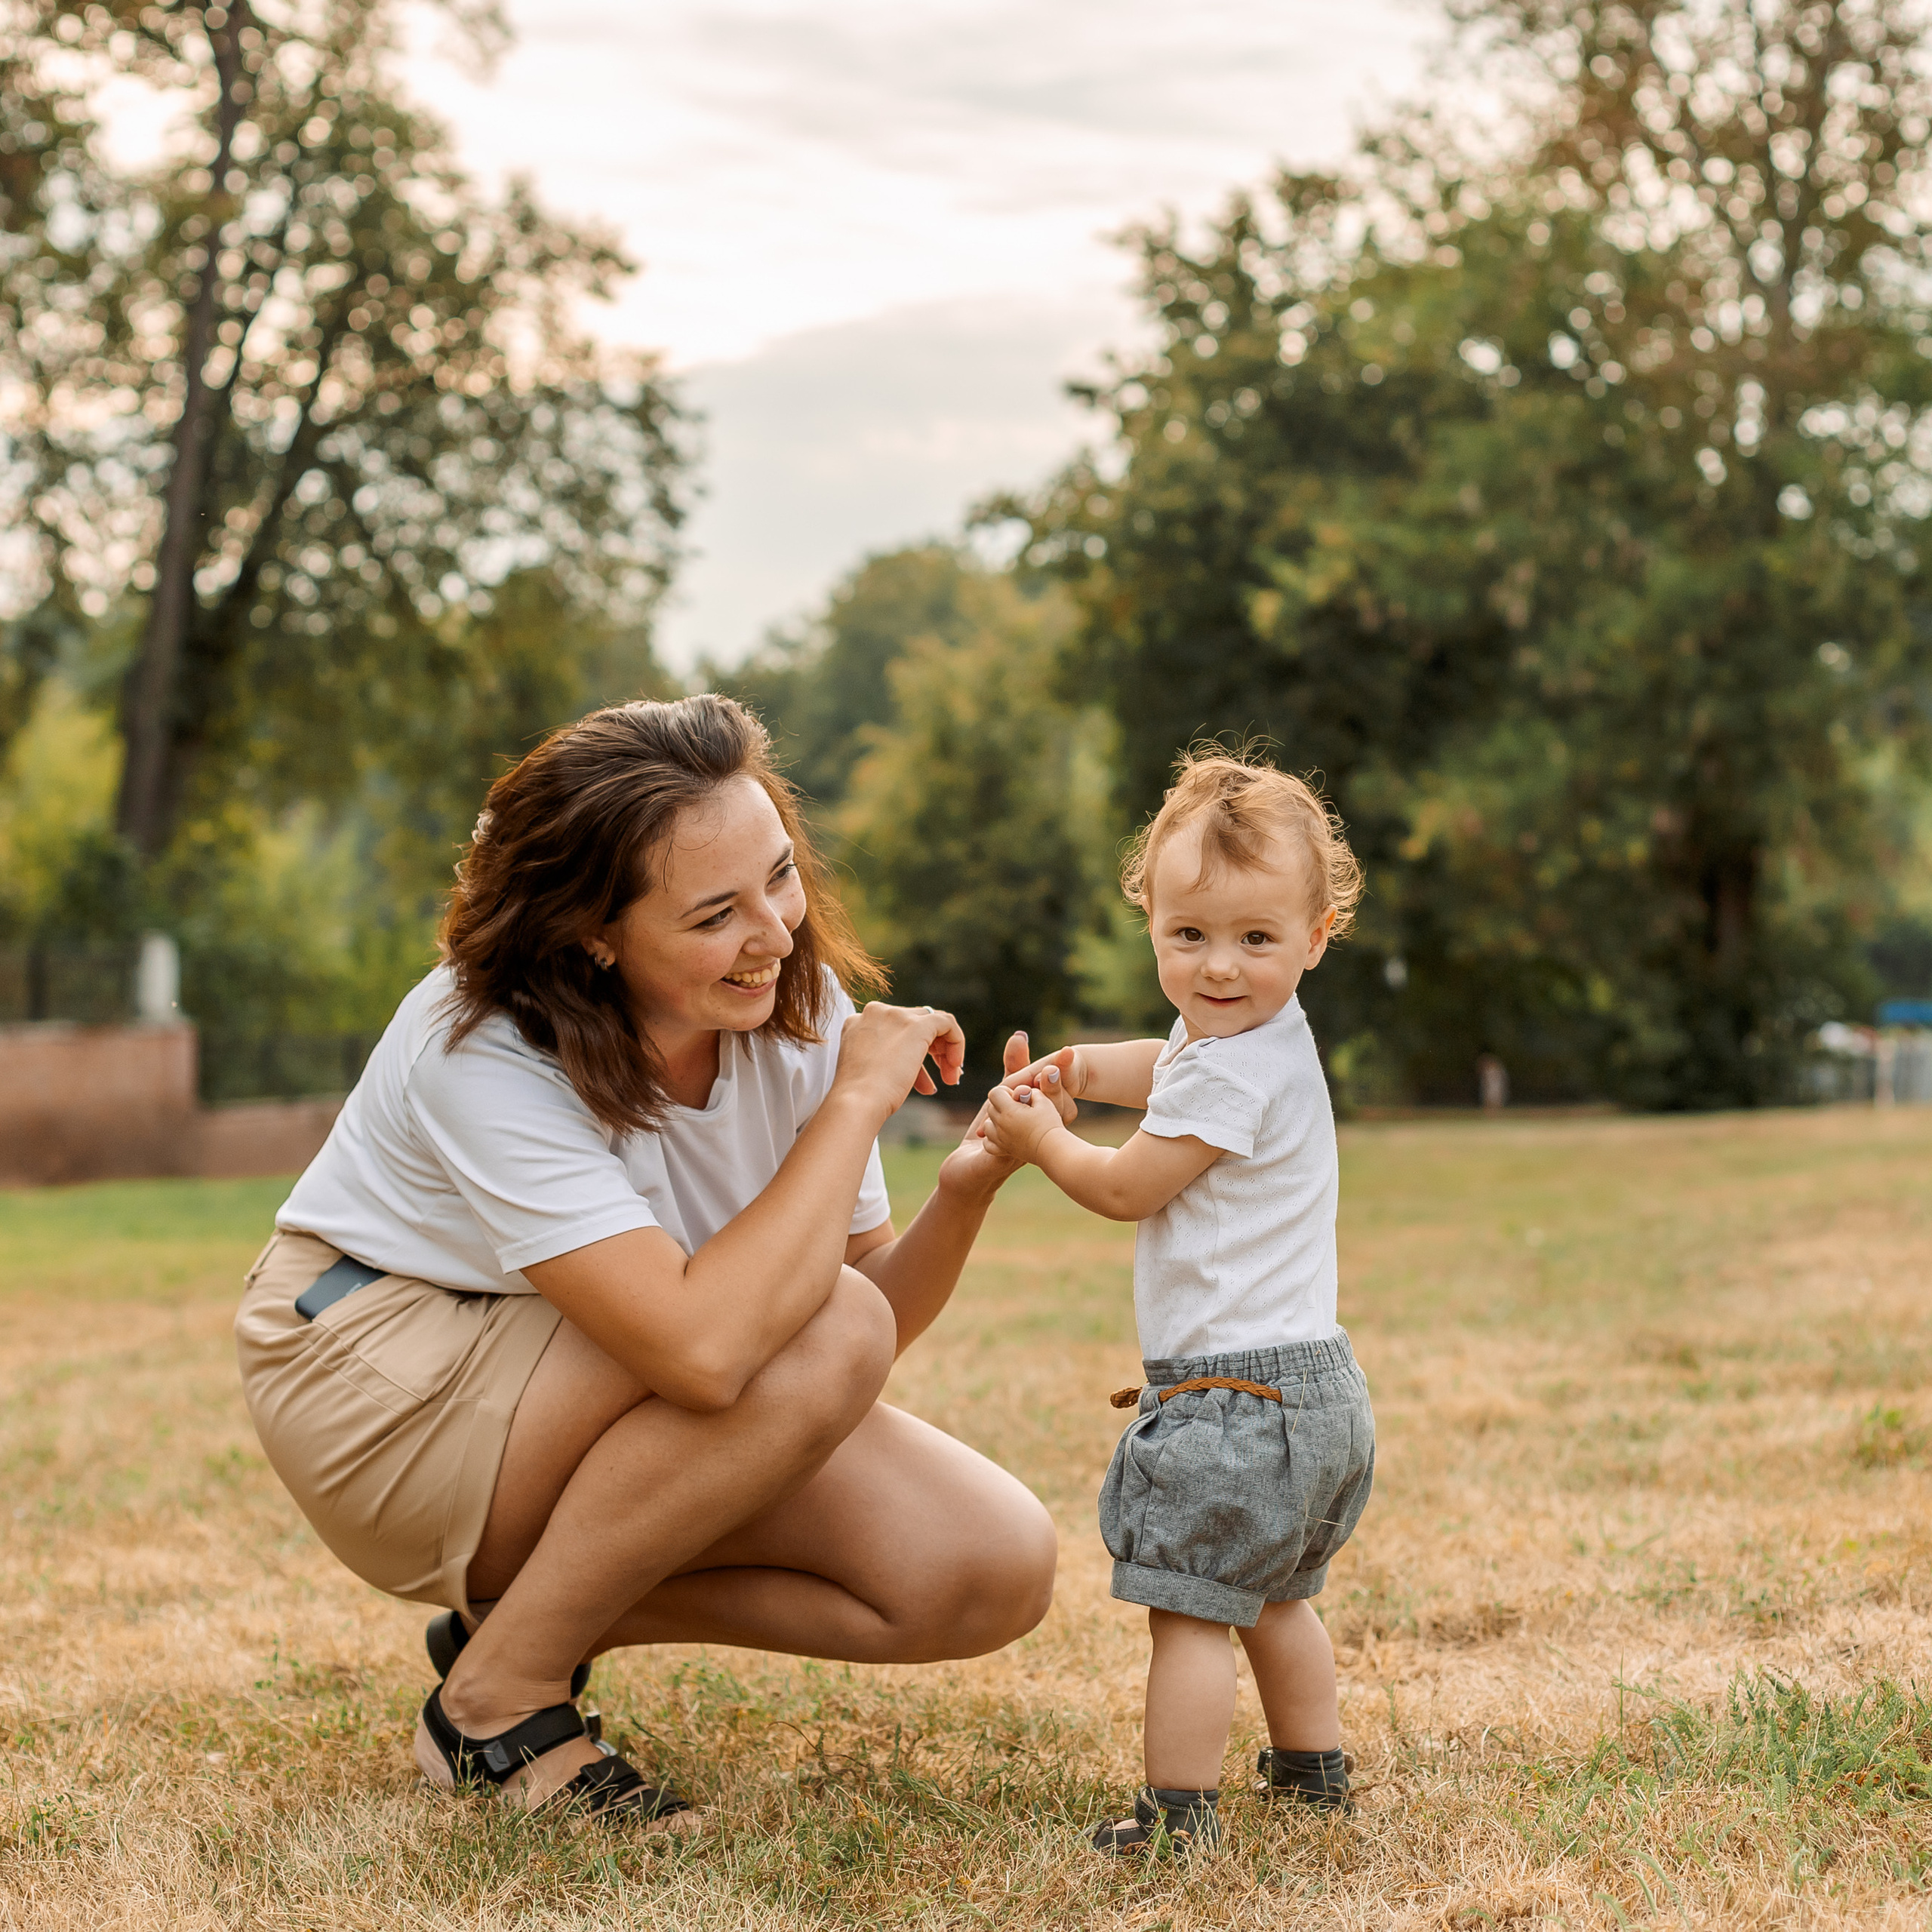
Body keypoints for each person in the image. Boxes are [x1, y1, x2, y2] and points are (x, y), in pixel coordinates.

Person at [234, 694, 1057, 1826]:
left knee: (983, 1569)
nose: (776, 934)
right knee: (770, 1328)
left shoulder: (787, 1000)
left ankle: (518, 1631)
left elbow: (853, 1323)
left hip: (594, 1366)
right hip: (371, 1363)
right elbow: (709, 1352)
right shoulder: (478, 1044)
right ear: (594, 932)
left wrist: (965, 1185)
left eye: (780, 875)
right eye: (716, 913)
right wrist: (856, 1102)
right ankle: (499, 1704)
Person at [980, 749, 1375, 1855]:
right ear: (1150, 921)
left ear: (1316, 936)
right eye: (1189, 934)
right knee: (1277, 1597)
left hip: (1233, 1403)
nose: (1220, 966)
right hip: (1317, 1393)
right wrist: (1075, 1073)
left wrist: (1041, 1138)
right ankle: (1313, 1774)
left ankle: (1177, 1816)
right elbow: (1164, 1064)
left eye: (1256, 939)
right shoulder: (1264, 1038)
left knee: (1192, 1610)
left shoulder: (1231, 1067)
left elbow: (1125, 1188)